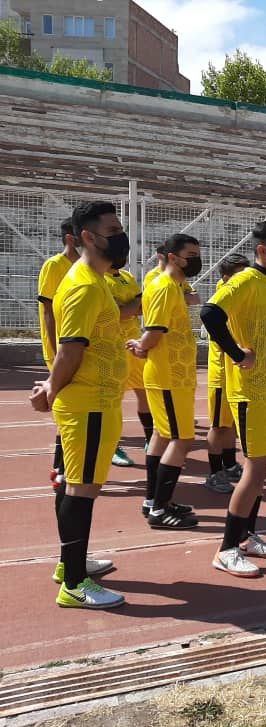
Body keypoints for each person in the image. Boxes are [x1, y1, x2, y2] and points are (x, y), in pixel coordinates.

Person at [29, 201, 130, 609]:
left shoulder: (93, 279)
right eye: (112, 229)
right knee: (82, 489)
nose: (120, 236)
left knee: (73, 482)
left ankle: (69, 561)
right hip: (88, 402)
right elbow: (70, 349)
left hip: (96, 399)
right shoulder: (86, 286)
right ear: (88, 236)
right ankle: (74, 582)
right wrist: (51, 388)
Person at [200, 220, 266, 577]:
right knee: (254, 470)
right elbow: (209, 313)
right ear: (262, 250)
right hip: (249, 392)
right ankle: (226, 549)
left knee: (262, 470)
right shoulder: (244, 282)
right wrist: (237, 353)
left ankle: (247, 536)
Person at [128, 234, 202, 529]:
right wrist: (143, 346)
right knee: (181, 439)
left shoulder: (173, 285)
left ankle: (154, 501)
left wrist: (144, 346)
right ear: (172, 257)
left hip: (175, 374)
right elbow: (154, 328)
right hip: (169, 376)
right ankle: (160, 508)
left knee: (160, 435)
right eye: (191, 254)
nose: (196, 259)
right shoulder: (163, 287)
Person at [37, 218, 80, 488]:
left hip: (77, 346)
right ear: (70, 238)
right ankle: (62, 467)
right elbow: (48, 311)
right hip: (62, 350)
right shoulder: (55, 265)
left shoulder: (86, 269)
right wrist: (55, 351)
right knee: (68, 411)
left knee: (73, 410)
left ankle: (61, 465)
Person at [205, 253, 249, 492]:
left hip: (236, 371)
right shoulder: (223, 297)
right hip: (222, 372)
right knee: (218, 426)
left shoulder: (241, 294)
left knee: (231, 424)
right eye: (239, 274)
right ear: (226, 276)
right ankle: (214, 472)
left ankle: (230, 465)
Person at [106, 265, 152, 467]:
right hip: (113, 348)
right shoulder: (100, 278)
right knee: (113, 401)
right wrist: (133, 304)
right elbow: (119, 313)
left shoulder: (127, 276)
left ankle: (150, 439)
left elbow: (141, 307)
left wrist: (131, 306)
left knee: (144, 393)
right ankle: (112, 448)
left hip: (134, 346)